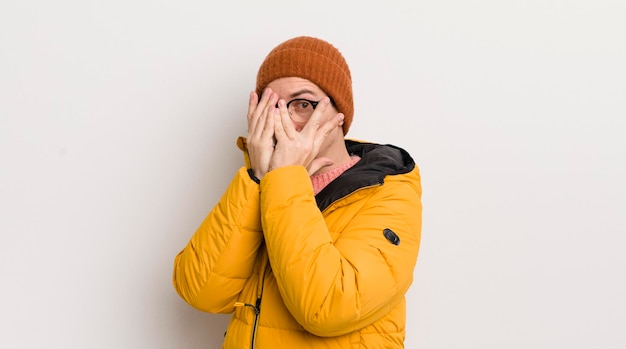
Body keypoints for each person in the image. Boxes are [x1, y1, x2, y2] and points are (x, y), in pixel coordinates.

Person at [172, 36, 422, 348]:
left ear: (338, 113)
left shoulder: (387, 190)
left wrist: (285, 177)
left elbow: (328, 306)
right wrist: (258, 177)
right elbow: (201, 292)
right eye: (271, 107)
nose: (286, 119)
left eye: (302, 104)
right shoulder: (266, 184)